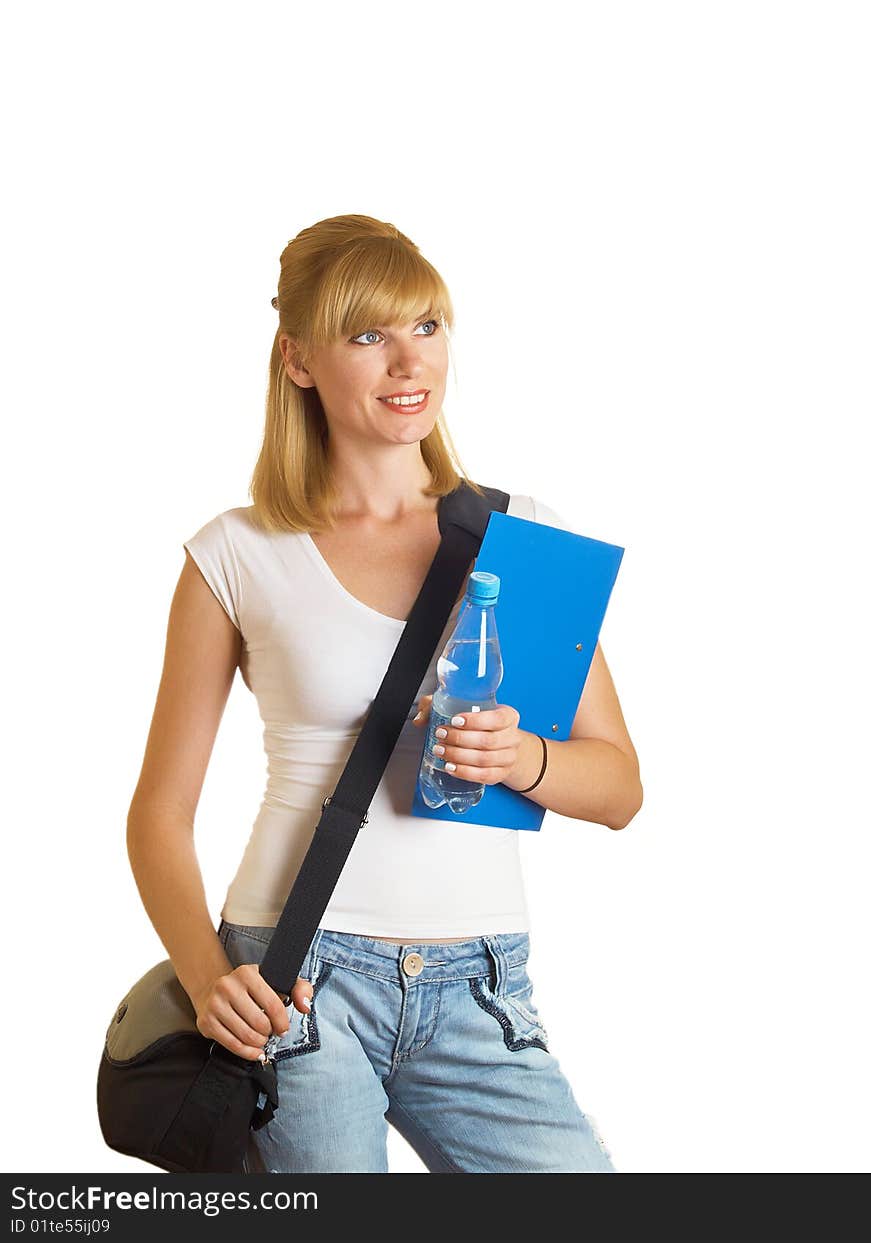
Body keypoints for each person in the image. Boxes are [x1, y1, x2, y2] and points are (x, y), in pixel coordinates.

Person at [126, 214, 642, 1174]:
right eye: (368, 335)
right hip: (296, 978)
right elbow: (160, 810)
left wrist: (525, 759)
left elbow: (619, 787)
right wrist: (208, 980)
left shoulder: (523, 534)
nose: (410, 362)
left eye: (427, 327)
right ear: (299, 360)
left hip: (480, 981)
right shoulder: (235, 552)